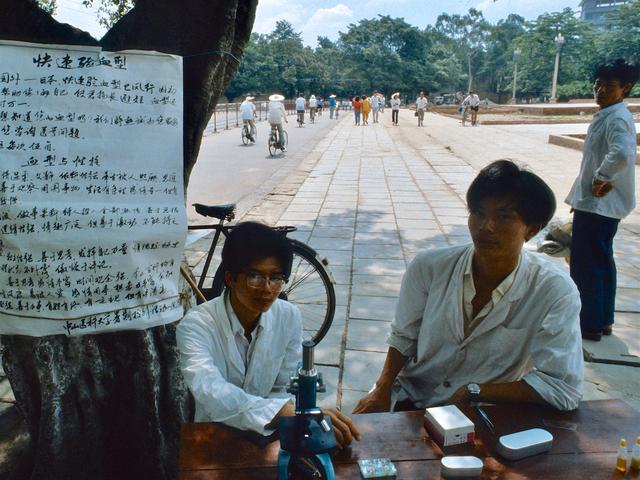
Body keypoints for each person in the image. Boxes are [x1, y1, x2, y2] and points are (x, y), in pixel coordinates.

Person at [353, 160, 583, 414]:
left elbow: (563, 387)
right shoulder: (428, 267)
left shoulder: (554, 291)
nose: (486, 227)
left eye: (503, 216)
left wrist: (474, 392)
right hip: (413, 398)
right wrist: (381, 390)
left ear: (531, 230)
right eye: (479, 213)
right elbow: (403, 337)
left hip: (486, 411)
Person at [177, 222, 360, 448]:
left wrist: (292, 413)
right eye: (255, 276)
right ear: (229, 279)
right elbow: (209, 390)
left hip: (268, 434)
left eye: (276, 278)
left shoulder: (288, 316)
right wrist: (282, 411)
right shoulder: (196, 325)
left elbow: (282, 387)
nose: (267, 288)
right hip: (214, 434)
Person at [566, 59, 639, 342]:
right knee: (601, 262)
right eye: (597, 84)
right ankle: (604, 319)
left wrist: (601, 178)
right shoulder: (610, 114)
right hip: (595, 204)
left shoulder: (618, 117)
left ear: (625, 88)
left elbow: (621, 154)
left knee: (587, 265)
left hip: (600, 205)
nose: (600, 90)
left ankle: (590, 324)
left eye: (608, 86)